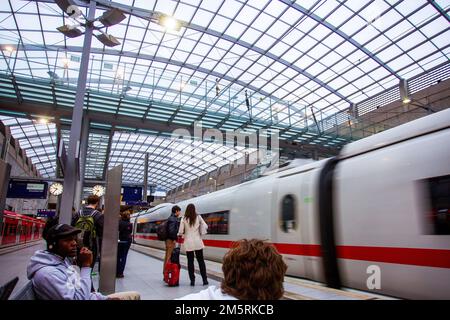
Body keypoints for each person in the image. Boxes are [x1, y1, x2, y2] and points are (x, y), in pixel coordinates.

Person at [27, 223, 140, 300]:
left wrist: (105, 298)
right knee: (134, 296)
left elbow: (81, 290)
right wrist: (86, 266)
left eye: (74, 239)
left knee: (135, 295)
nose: (74, 243)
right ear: (53, 245)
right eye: (68, 240)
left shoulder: (63, 261)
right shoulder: (48, 274)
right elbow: (80, 298)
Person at [178, 239, 287, 300]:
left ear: (228, 273)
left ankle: (192, 279)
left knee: (190, 261)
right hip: (197, 245)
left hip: (189, 245)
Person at [177, 203, 208, 286]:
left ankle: (192, 281)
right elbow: (205, 225)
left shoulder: (184, 218)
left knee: (190, 261)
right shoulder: (198, 217)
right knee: (201, 261)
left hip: (188, 242)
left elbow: (180, 231)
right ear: (194, 209)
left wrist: (180, 234)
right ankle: (205, 280)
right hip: (198, 241)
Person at [71, 195, 104, 269]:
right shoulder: (98, 215)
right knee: (89, 266)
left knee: (77, 265)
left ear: (87, 202)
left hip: (77, 244)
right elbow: (101, 232)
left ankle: (77, 278)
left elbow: (72, 227)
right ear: (97, 203)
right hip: (92, 244)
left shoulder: (78, 213)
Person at [163, 205, 181, 276]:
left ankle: (165, 272)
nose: (179, 213)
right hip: (170, 240)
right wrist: (174, 238)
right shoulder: (173, 219)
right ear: (176, 211)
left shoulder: (170, 218)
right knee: (169, 257)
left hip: (168, 240)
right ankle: (166, 274)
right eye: (179, 211)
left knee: (167, 256)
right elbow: (171, 230)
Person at [116, 210, 133, 278]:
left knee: (118, 255)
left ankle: (116, 271)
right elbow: (130, 232)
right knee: (124, 256)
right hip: (127, 241)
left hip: (120, 240)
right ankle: (120, 273)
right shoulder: (130, 224)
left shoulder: (119, 223)